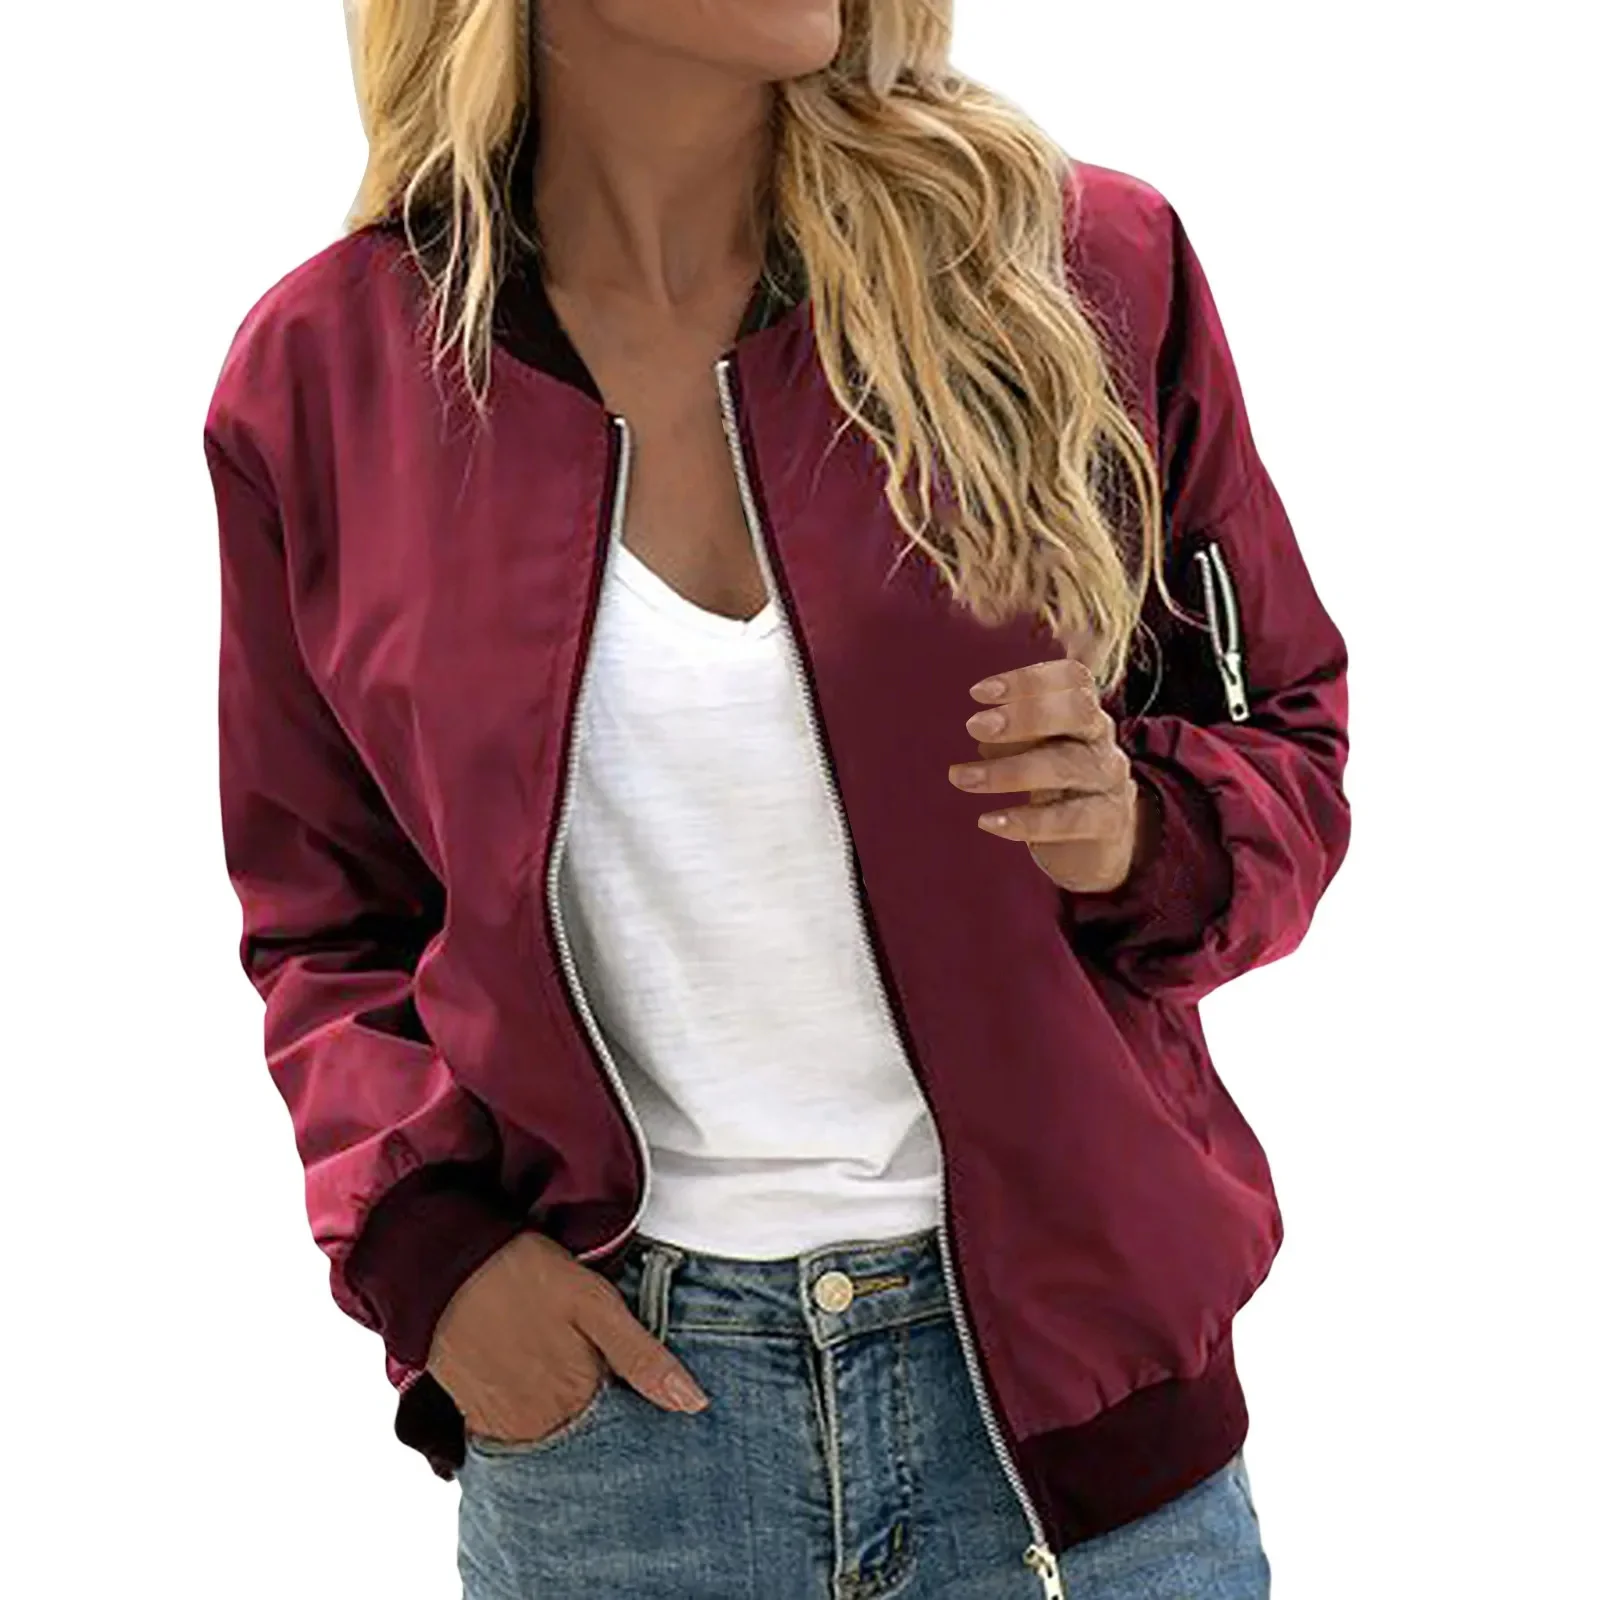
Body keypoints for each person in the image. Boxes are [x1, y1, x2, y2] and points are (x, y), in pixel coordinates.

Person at [204, 2, 1349, 1595]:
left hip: (1072, 1443)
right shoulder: (329, 378)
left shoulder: (1072, 268)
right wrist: (436, 1261)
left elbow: (1284, 734)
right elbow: (325, 913)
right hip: (620, 1443)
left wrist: (1142, 835)